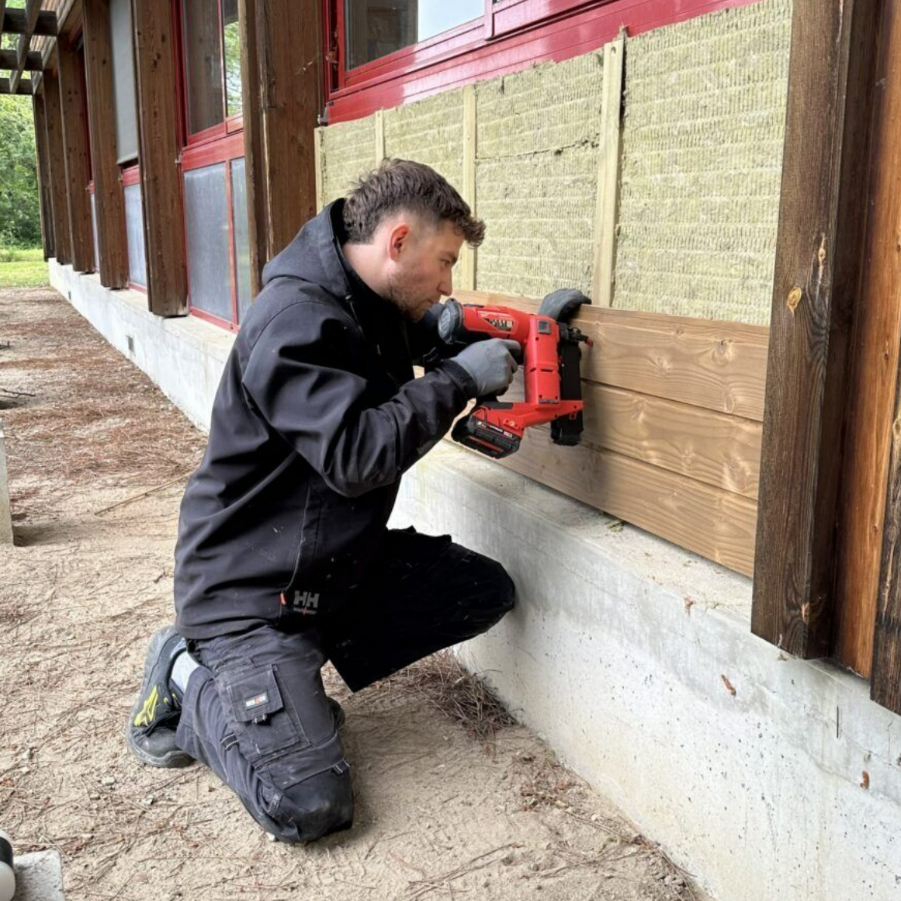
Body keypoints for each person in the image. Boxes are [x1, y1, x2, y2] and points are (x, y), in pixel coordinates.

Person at [125, 159, 522, 844]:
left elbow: (428, 335)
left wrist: (530, 331)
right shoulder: (296, 320)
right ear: (397, 242)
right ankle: (189, 673)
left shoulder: (369, 299)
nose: (449, 283)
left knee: (479, 591)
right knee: (307, 803)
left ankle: (288, 691)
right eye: (445, 262)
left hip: (325, 571)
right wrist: (456, 380)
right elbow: (354, 457)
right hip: (251, 590)